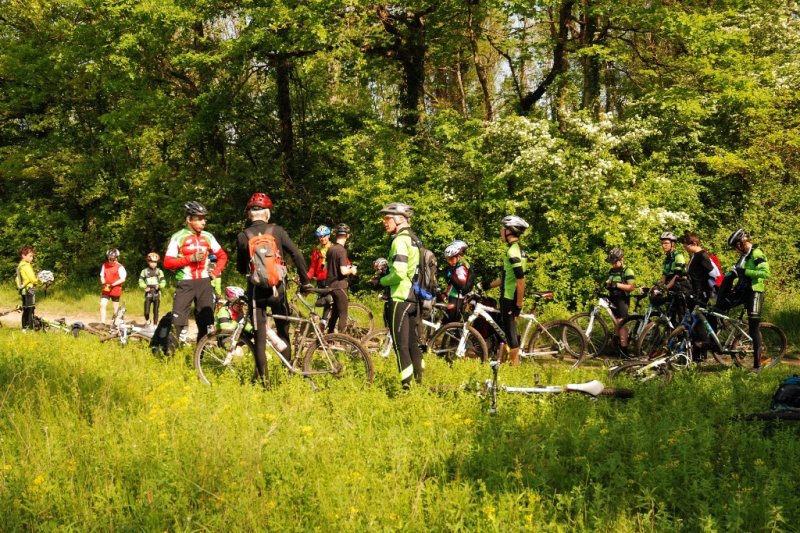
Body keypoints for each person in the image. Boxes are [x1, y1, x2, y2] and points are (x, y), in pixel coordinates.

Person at [236, 192, 311, 386]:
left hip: (256, 294)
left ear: (249, 214)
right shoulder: (277, 231)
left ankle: (265, 384)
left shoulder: (243, 236)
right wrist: (305, 281)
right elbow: (296, 253)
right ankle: (288, 374)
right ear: (267, 213)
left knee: (260, 338)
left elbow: (240, 268)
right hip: (278, 290)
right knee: (283, 330)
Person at [164, 201, 228, 343]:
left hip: (204, 283)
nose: (203, 222)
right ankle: (169, 358)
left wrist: (216, 272)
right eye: (199, 218)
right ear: (189, 219)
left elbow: (223, 256)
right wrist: (190, 258)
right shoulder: (178, 237)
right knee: (177, 322)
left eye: (204, 218)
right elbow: (167, 262)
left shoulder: (208, 236)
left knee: (206, 323)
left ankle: (201, 357)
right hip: (185, 283)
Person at [378, 202, 423, 387]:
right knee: (413, 344)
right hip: (413, 298)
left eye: (387, 218)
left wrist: (380, 281)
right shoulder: (414, 239)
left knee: (400, 346)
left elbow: (398, 273)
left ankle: (406, 388)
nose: (384, 222)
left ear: (399, 219)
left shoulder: (400, 240)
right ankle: (419, 385)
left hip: (399, 298)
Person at [717, 228, 770, 371]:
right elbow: (733, 273)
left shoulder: (756, 253)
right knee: (719, 307)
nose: (736, 250)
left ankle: (757, 366)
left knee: (754, 328)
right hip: (742, 291)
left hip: (754, 292)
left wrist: (745, 272)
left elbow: (766, 273)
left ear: (742, 242)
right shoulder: (743, 256)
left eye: (736, 246)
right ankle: (725, 337)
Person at [481, 216, 529, 366]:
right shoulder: (518, 249)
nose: (501, 231)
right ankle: (506, 360)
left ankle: (515, 368)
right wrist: (488, 285)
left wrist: (518, 305)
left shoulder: (512, 252)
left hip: (510, 297)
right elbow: (509, 277)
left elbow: (521, 280)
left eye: (503, 228)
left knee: (511, 334)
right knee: (507, 330)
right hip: (509, 295)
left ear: (509, 231)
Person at [325, 223, 358, 334]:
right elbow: (343, 271)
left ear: (336, 235)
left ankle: (329, 338)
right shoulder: (342, 251)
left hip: (330, 285)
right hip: (340, 286)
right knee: (343, 314)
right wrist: (352, 270)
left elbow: (330, 267)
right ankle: (342, 340)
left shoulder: (331, 249)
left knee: (334, 313)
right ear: (347, 236)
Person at [604, 247, 636, 359]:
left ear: (621, 259)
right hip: (613, 297)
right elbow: (609, 281)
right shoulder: (612, 270)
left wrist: (616, 285)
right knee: (615, 323)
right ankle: (616, 346)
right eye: (611, 262)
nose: (612, 264)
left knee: (621, 323)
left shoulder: (627, 270)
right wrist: (607, 284)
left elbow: (631, 287)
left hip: (622, 299)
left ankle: (624, 350)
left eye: (614, 262)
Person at [442, 240, 474, 323]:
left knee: (448, 326)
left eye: (451, 259)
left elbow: (462, 286)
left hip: (456, 299)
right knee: (448, 326)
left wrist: (450, 276)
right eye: (448, 260)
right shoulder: (460, 265)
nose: (449, 262)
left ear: (459, 256)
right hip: (454, 298)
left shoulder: (461, 267)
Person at [16, 246, 41, 331]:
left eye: (32, 256)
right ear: (24, 255)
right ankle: (30, 329)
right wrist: (40, 280)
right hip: (29, 290)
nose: (32, 258)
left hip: (24, 290)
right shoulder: (26, 266)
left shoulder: (20, 265)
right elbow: (33, 279)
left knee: (26, 310)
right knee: (30, 310)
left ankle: (24, 329)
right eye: (30, 256)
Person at [138, 252, 166, 326]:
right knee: (146, 312)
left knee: (155, 311)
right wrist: (144, 286)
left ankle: (155, 325)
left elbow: (163, 281)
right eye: (152, 262)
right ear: (148, 262)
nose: (153, 264)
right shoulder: (144, 271)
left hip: (157, 293)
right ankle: (148, 321)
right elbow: (140, 281)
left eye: (155, 262)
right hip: (148, 292)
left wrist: (160, 286)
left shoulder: (159, 271)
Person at [100, 249, 127, 324]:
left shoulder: (120, 267)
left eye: (113, 259)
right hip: (106, 288)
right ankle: (102, 323)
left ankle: (116, 323)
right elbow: (102, 276)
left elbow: (123, 279)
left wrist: (113, 285)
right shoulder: (104, 265)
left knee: (115, 307)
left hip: (115, 289)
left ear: (116, 258)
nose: (111, 261)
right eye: (109, 259)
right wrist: (103, 283)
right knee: (102, 304)